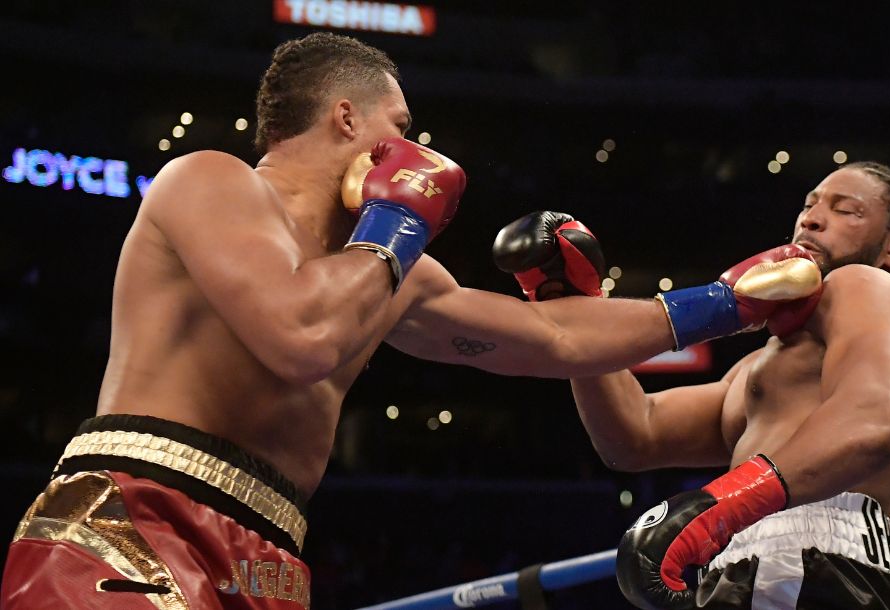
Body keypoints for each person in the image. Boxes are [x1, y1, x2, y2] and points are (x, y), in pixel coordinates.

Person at [0, 32, 820, 610]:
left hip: (270, 552)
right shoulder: (212, 184)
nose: (412, 147)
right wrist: (400, 224)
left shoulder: (383, 267)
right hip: (133, 519)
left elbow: (558, 341)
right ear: (347, 119)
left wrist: (727, 302)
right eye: (401, 127)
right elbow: (301, 338)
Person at [502, 162, 890, 609]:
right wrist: (571, 303)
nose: (812, 217)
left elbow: (869, 424)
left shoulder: (873, 286)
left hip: (817, 555)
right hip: (743, 557)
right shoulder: (762, 364)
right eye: (809, 204)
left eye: (846, 210)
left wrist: (715, 507)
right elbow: (636, 434)